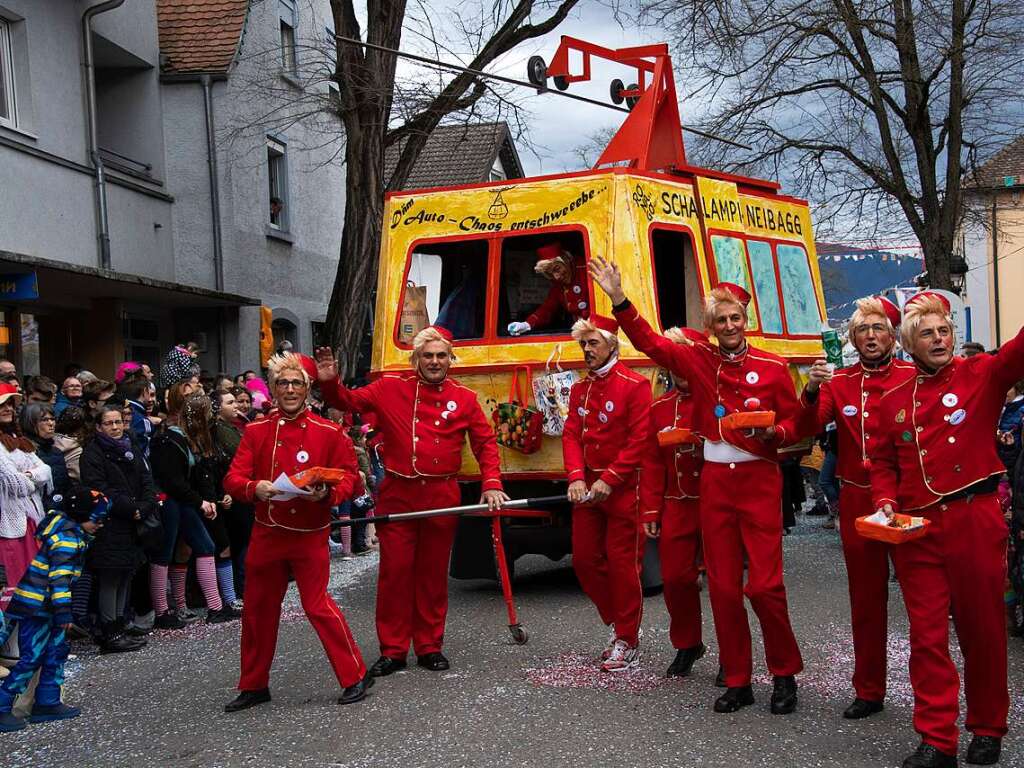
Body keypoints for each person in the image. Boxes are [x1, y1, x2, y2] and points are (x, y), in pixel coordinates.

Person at [590, 255, 802, 715]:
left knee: (764, 587)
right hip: (715, 482)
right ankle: (739, 678)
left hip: (758, 478)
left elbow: (794, 423)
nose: (729, 325)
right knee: (724, 587)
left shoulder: (771, 366)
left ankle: (784, 673)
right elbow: (648, 342)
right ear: (710, 325)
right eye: (721, 319)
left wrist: (776, 433)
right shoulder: (698, 358)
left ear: (745, 321)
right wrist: (619, 298)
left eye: (735, 318)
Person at [871, 293, 1021, 768]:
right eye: (927, 333)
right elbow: (881, 461)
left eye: (944, 331)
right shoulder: (891, 399)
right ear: (908, 342)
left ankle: (987, 725)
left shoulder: (984, 374)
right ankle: (937, 738)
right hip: (917, 529)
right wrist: (884, 502)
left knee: (983, 630)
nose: (938, 340)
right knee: (927, 636)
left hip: (974, 518)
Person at [316, 326, 508, 676]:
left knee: (432, 575)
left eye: (440, 355)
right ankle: (393, 649)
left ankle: (430, 646)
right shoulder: (390, 388)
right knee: (395, 574)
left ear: (450, 359)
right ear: (415, 358)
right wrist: (330, 383)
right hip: (399, 495)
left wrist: (491, 482)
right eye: (427, 355)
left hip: (442, 495)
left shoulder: (464, 398)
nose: (434, 362)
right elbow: (348, 402)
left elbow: (485, 443)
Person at [222, 351, 372, 712]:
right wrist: (253, 488)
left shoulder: (329, 431)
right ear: (273, 389)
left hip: (309, 531)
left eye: (296, 383)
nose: (289, 389)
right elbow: (232, 478)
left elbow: (351, 478)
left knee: (317, 605)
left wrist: (328, 493)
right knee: (257, 610)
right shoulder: (257, 432)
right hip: (267, 531)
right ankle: (254, 684)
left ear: (307, 389)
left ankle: (354, 674)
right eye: (282, 383)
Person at [791, 296, 915, 719]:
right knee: (865, 599)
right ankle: (869, 688)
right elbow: (808, 424)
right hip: (857, 499)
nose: (871, 336)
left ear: (893, 335)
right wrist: (810, 387)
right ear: (853, 338)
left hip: (910, 498)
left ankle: (930, 694)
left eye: (878, 328)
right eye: (863, 330)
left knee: (921, 599)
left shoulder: (913, 376)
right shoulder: (840, 381)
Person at [562, 315, 651, 672]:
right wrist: (575, 477)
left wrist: (610, 478)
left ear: (612, 344)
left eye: (592, 343)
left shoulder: (635, 385)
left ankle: (627, 639)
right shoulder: (580, 389)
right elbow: (570, 434)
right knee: (584, 562)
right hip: (587, 489)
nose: (586, 350)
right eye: (583, 344)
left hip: (623, 490)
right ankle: (619, 624)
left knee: (623, 565)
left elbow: (639, 439)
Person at [0, 488, 108, 732]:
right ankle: (2, 704)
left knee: (57, 650)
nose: (101, 524)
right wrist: (64, 613)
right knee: (32, 656)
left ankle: (48, 701)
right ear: (81, 515)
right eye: (97, 518)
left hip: (51, 607)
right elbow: (58, 579)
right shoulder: (66, 540)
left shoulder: (75, 535)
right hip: (36, 607)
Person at [640, 327, 707, 677]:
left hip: (713, 500)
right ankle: (688, 643)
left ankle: (734, 656)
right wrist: (651, 509)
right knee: (675, 579)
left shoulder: (714, 399)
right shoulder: (660, 407)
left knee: (727, 584)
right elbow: (652, 463)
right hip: (675, 503)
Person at [149, 382, 235, 627]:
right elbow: (172, 481)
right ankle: (163, 611)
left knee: (202, 547)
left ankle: (214, 607)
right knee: (165, 554)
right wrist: (201, 502)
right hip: (170, 502)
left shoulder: (188, 440)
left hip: (186, 501)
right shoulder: (168, 440)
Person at [79, 405, 151, 654]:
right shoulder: (93, 454)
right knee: (111, 575)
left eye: (118, 422)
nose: (115, 427)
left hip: (132, 519)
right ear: (99, 427)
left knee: (125, 572)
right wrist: (130, 508)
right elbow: (99, 488)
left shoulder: (131, 445)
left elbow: (146, 479)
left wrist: (145, 505)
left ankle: (121, 623)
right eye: (109, 423)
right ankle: (110, 631)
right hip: (110, 520)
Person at [0, 384, 52, 591]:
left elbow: (46, 470)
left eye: (10, 405)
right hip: (9, 527)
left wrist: (28, 475)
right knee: (17, 586)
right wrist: (33, 478)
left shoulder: (17, 440)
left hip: (32, 521)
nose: (8, 409)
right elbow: (13, 482)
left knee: (36, 586)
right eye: (2, 404)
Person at [210, 390, 254, 599]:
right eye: (231, 402)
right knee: (240, 541)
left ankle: (244, 585)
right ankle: (241, 587)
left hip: (240, 491)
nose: (236, 405)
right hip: (232, 492)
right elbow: (240, 454)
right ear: (218, 407)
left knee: (244, 539)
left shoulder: (233, 427)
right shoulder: (220, 429)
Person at [507, 242, 590, 336]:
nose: (556, 276)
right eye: (550, 274)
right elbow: (548, 308)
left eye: (557, 268)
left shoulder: (586, 269)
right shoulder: (558, 285)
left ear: (566, 260)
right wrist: (526, 324)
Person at [20, 404, 70, 508]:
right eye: (44, 420)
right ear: (30, 424)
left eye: (52, 419)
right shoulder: (24, 453)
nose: (51, 423)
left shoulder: (57, 452)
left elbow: (65, 487)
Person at [117, 376, 155, 459]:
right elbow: (144, 454)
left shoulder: (117, 410)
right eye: (149, 393)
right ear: (145, 391)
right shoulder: (142, 421)